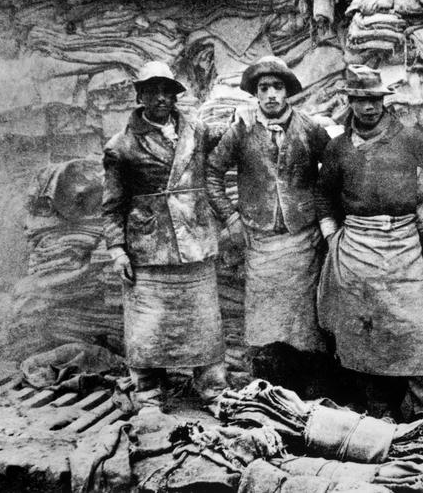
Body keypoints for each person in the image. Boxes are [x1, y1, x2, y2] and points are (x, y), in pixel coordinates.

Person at [316, 64, 423, 420]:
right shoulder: (338, 148)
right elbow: (323, 195)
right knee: (364, 329)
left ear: (384, 101)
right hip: (356, 246)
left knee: (415, 326)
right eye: (361, 99)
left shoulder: (409, 137)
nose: (369, 107)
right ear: (350, 101)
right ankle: (379, 409)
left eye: (375, 99)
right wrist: (332, 236)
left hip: (403, 243)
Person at [102, 61, 227, 411]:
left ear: (175, 96)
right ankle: (148, 393)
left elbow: (231, 134)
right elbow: (112, 206)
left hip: (195, 239)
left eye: (167, 91)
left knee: (204, 321)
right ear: (140, 96)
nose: (160, 98)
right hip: (149, 246)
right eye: (152, 91)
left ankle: (213, 389)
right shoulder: (121, 146)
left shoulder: (197, 130)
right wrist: (117, 251)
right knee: (148, 326)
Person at [206, 56, 332, 396]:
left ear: (287, 91)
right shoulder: (242, 130)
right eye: (264, 88)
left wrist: (325, 218)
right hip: (259, 241)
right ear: (255, 93)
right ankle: (272, 388)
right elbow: (212, 173)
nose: (271, 94)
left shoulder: (309, 128)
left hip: (303, 239)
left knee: (305, 320)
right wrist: (231, 217)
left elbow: (335, 169)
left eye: (278, 87)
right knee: (265, 320)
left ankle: (310, 390)